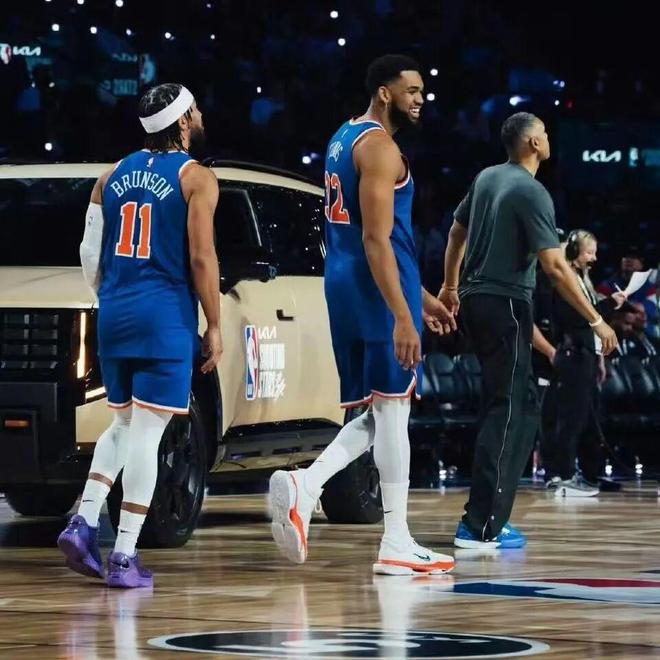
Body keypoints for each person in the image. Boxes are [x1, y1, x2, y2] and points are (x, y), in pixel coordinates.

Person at [269, 54, 456, 575]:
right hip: (375, 291)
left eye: (423, 91)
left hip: (346, 284)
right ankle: (396, 540)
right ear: (384, 93)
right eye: (411, 90)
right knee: (394, 411)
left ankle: (307, 485)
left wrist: (422, 299)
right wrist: (403, 315)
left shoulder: (342, 137)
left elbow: (368, 239)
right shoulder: (379, 147)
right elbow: (378, 240)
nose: (420, 100)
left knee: (378, 411)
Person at [57, 83, 222, 588]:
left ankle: (84, 520)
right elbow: (201, 258)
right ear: (182, 121)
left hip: (114, 312)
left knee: (124, 425)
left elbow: (89, 254)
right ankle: (125, 555)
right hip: (163, 316)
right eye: (195, 109)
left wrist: (112, 296)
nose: (200, 114)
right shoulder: (197, 178)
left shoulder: (110, 176)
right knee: (149, 435)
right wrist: (215, 324)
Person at [439, 112, 618, 550]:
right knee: (510, 409)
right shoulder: (532, 190)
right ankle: (480, 526)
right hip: (506, 303)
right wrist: (596, 319)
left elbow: (456, 232)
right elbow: (554, 266)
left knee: (517, 405)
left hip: (477, 300)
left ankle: (491, 516)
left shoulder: (486, 178)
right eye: (545, 133)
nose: (549, 138)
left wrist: (450, 286)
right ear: (534, 143)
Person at [541, 230, 627, 497]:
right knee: (571, 419)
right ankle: (564, 475)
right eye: (589, 252)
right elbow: (578, 318)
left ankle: (591, 474)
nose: (594, 258)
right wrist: (611, 304)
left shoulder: (581, 280)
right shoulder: (564, 282)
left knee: (590, 418)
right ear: (574, 252)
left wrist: (599, 357)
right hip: (572, 355)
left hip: (587, 354)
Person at [596, 248, 659, 339]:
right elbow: (599, 309)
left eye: (634, 257)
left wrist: (635, 314)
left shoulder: (649, 287)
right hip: (613, 330)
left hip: (643, 330)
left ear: (641, 264)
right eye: (625, 257)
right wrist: (621, 316)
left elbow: (651, 311)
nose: (629, 260)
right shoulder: (607, 285)